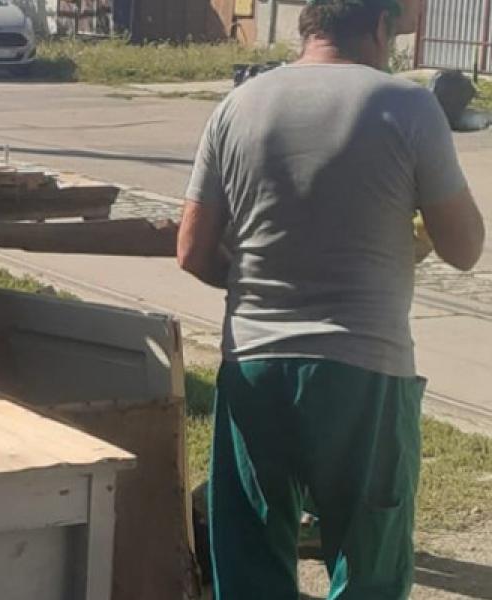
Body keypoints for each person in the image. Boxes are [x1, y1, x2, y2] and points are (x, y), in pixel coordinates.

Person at [176, 0, 487, 597]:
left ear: (309, 26)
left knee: (251, 560)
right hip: (363, 368)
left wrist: (263, 281)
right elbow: (465, 246)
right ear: (379, 27)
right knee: (368, 563)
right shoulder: (406, 105)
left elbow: (191, 250)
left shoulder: (238, 105)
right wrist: (417, 236)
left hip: (255, 363)